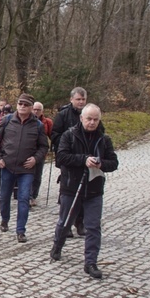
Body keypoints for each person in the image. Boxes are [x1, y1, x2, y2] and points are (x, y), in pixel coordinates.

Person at [49, 104, 118, 279]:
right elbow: (62, 157)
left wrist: (101, 163)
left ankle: (91, 262)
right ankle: (57, 245)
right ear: (82, 118)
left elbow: (114, 162)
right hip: (71, 187)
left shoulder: (104, 139)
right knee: (65, 222)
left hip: (94, 189)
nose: (92, 122)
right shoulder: (69, 135)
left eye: (95, 119)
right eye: (89, 119)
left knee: (93, 226)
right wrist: (83, 160)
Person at [0, 93, 48, 242]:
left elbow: (43, 147)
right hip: (7, 166)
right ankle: (5, 219)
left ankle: (21, 230)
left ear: (31, 108)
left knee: (23, 199)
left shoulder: (38, 125)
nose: (22, 107)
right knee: (4, 197)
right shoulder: (6, 120)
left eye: (26, 105)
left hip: (26, 169)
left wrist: (35, 159)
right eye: (20, 104)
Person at [51, 87, 103, 237]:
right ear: (71, 99)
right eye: (78, 99)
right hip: (68, 158)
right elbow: (54, 134)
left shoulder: (91, 114)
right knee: (67, 190)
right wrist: (68, 143)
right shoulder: (62, 115)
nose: (81, 102)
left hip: (88, 159)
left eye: (83, 99)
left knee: (85, 191)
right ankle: (65, 224)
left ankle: (80, 223)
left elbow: (101, 135)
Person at [30, 101, 53, 207]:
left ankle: (33, 196)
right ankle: (26, 196)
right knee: (26, 175)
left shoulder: (47, 122)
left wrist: (54, 145)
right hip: (27, 152)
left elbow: (52, 135)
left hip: (40, 153)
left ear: (42, 111)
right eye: (34, 109)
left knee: (37, 176)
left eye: (38, 110)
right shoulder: (27, 120)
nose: (36, 111)